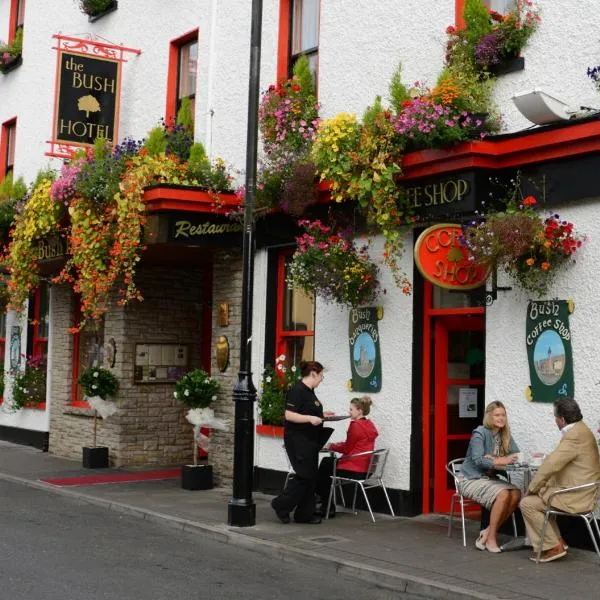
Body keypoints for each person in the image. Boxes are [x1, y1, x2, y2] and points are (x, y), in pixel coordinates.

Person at [520, 397, 600, 563]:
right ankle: (557, 543)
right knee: (540, 500)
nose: (555, 420)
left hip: (576, 496)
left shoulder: (574, 436)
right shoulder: (581, 430)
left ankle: (551, 547)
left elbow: (551, 464)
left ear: (562, 419)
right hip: (582, 492)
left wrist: (533, 487)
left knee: (527, 503)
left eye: (555, 417)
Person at [271, 360, 333, 524]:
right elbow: (289, 415)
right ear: (313, 374)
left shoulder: (310, 392)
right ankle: (281, 504)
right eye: (321, 376)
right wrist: (310, 418)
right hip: (298, 440)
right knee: (305, 476)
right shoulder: (297, 390)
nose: (321, 379)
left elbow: (307, 410)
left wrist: (323, 415)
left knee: (311, 477)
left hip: (310, 440)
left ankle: (304, 514)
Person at [460, 400, 521, 553]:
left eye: (503, 415)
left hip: (489, 479)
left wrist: (493, 459)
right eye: (497, 415)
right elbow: (478, 460)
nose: (501, 418)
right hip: (471, 478)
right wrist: (499, 460)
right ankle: (492, 538)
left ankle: (487, 532)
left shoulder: (504, 434)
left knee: (516, 494)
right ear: (489, 416)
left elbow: (515, 455)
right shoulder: (480, 433)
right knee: (503, 494)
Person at [315, 396, 378, 518]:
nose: (349, 412)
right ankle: (323, 501)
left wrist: (332, 446)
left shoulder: (355, 426)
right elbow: (354, 445)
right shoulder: (369, 424)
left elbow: (347, 449)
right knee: (327, 463)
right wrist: (338, 445)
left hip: (354, 468)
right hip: (366, 468)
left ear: (359, 411)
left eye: (351, 409)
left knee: (325, 466)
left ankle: (326, 505)